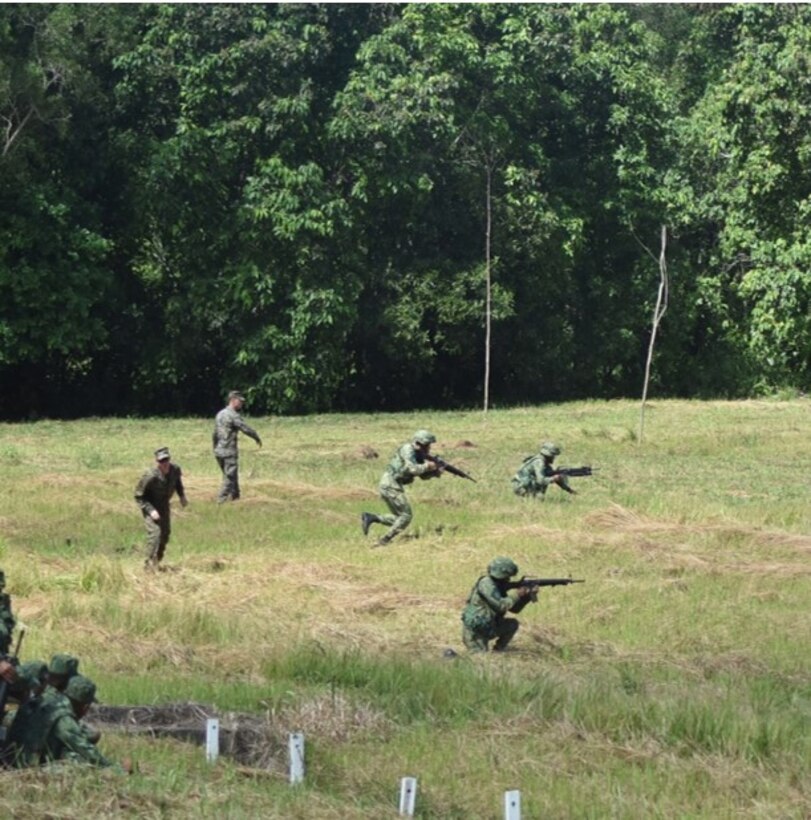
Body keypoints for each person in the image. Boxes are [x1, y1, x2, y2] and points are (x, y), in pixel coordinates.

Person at [7, 674, 127, 771]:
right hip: (25, 766)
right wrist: (115, 769)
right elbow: (83, 747)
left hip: (11, 756)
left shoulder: (46, 699)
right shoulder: (63, 717)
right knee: (81, 762)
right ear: (85, 706)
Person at [360, 429, 442, 547]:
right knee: (406, 516)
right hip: (390, 484)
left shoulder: (418, 455)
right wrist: (428, 465)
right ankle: (384, 541)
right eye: (427, 445)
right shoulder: (408, 450)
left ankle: (372, 517)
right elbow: (412, 469)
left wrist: (435, 472)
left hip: (392, 484)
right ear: (418, 443)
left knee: (400, 518)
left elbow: (422, 476)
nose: (429, 448)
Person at [461, 557, 534, 652]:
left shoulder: (498, 585)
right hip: (476, 631)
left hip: (490, 626)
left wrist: (526, 597)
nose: (508, 580)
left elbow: (514, 609)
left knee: (512, 624)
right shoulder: (487, 584)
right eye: (507, 577)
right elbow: (501, 606)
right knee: (480, 659)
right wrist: (518, 593)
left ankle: (498, 651)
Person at [135, 447, 188, 570]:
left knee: (165, 534)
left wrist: (182, 496)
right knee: (155, 534)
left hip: (164, 505)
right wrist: (151, 510)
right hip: (151, 506)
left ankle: (156, 562)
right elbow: (139, 496)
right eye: (161, 461)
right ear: (157, 462)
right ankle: (147, 566)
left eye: (166, 460)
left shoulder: (175, 470)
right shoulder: (150, 476)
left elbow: (178, 483)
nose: (165, 463)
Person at [212, 390, 262, 503]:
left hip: (219, 451)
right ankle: (221, 500)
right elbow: (245, 428)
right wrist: (256, 437)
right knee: (229, 477)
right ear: (233, 400)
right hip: (228, 451)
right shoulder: (233, 415)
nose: (242, 404)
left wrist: (215, 447)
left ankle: (236, 497)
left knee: (231, 475)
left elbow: (214, 433)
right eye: (240, 401)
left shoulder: (220, 414)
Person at [511, 441, 576, 498]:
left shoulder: (545, 464)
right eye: (553, 455)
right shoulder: (539, 462)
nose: (554, 458)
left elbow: (557, 479)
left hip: (523, 485)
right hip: (521, 487)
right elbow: (541, 480)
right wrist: (553, 478)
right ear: (548, 455)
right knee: (540, 497)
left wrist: (569, 490)